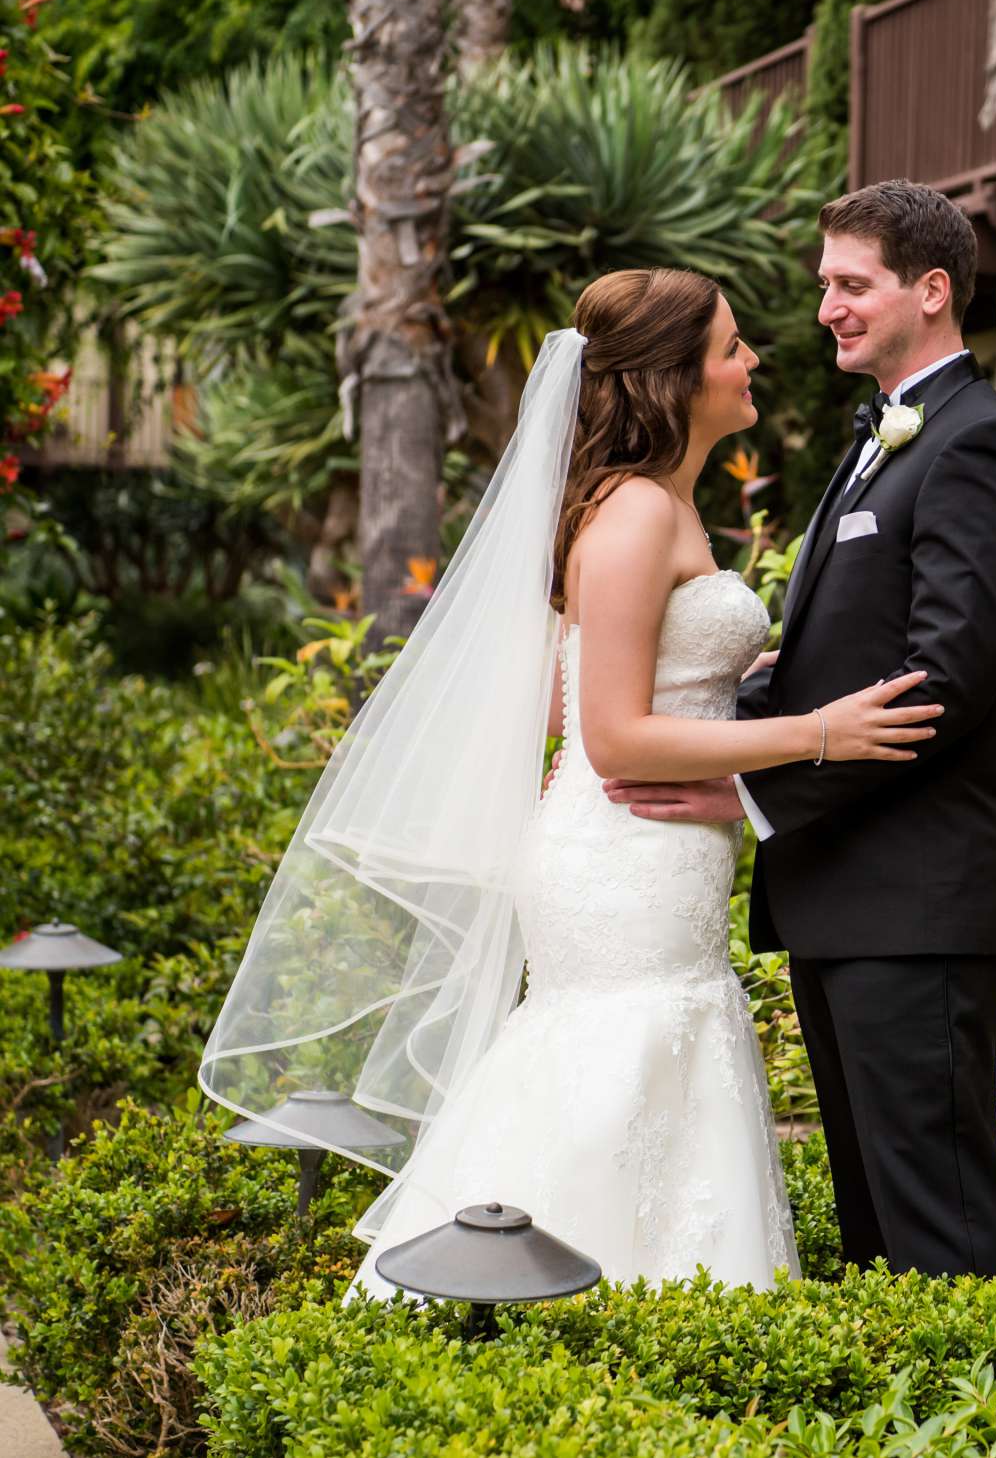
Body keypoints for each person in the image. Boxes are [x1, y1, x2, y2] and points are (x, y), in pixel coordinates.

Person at [200, 267, 943, 1294]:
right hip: (622, 858)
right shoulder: (636, 513)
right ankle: (528, 1309)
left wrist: (732, 682)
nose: (753, 361)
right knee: (614, 1070)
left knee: (644, 1067)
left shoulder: (652, 505)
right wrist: (818, 733)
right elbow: (613, 739)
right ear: (677, 380)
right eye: (732, 348)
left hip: (648, 854)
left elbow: (567, 695)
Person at [600, 182, 996, 1278]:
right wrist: (728, 718)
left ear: (931, 292)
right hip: (849, 894)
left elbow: (941, 682)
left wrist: (755, 783)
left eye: (853, 285)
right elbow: (835, 665)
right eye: (825, 287)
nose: (827, 310)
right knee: (877, 1233)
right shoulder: (886, 441)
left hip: (919, 898)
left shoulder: (979, 446)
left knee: (934, 1230)